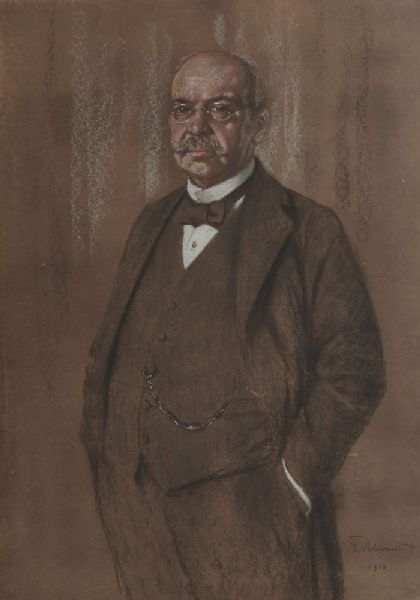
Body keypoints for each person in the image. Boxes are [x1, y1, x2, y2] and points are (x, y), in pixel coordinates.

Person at [80, 50, 385, 600]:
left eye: (220, 109)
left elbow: (355, 370)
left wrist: (293, 484)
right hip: (142, 526)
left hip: (257, 527)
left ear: (258, 123)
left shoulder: (311, 230)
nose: (196, 127)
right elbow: (109, 355)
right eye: (182, 109)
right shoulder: (151, 222)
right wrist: (110, 461)